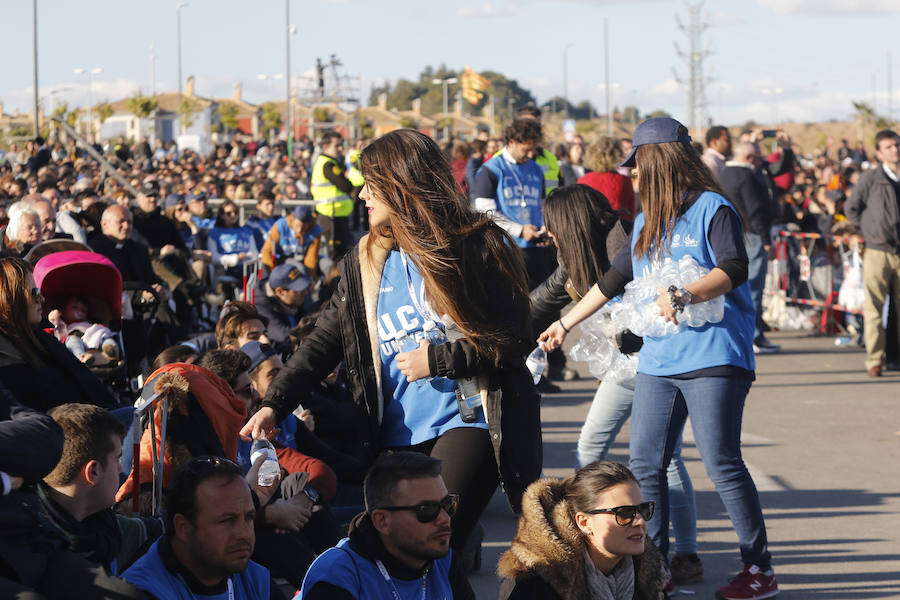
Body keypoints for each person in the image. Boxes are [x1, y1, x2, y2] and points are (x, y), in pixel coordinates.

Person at [242, 130, 542, 563]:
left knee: (428, 536)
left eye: (371, 184)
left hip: (469, 419)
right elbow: (324, 341)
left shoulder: (477, 243)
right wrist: (275, 403)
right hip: (397, 435)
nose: (361, 194)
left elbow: (514, 337)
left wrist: (438, 360)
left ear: (402, 183)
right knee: (412, 557)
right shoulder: (364, 259)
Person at [540, 117, 777, 600]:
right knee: (645, 463)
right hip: (660, 361)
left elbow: (734, 267)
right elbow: (613, 281)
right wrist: (565, 323)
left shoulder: (713, 208)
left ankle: (759, 569)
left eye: (638, 164)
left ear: (661, 161)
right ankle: (655, 568)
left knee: (721, 461)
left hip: (714, 355)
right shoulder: (647, 222)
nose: (632, 173)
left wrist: (685, 293)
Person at [530, 184, 703, 585]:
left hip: (654, 362)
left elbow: (650, 294)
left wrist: (634, 331)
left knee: (658, 457)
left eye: (551, 224)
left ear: (570, 221)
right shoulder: (576, 254)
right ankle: (605, 538)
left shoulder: (622, 243)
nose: (547, 232)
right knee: (617, 449)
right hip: (626, 367)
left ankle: (672, 552)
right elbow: (541, 300)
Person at [299, 451, 474, 600]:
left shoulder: (441, 559)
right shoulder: (337, 577)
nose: (444, 518)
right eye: (426, 509)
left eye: (448, 504)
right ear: (382, 521)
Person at [497, 461, 668, 600]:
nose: (640, 521)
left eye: (643, 509)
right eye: (624, 513)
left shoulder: (647, 576)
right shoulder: (536, 585)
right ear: (584, 522)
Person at [123, 456, 284, 600]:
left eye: (249, 517)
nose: (244, 533)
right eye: (227, 520)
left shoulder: (255, 578)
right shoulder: (142, 591)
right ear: (184, 528)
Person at [39, 403, 163, 575]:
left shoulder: (102, 522)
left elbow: (155, 529)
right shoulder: (37, 552)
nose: (121, 469)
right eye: (117, 459)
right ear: (93, 471)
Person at [0, 257, 117, 411]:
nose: (42, 299)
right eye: (34, 293)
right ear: (11, 297)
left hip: (98, 414)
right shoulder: (7, 354)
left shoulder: (39, 338)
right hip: (73, 422)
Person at [845, 129, 900, 377]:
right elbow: (851, 208)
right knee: (874, 310)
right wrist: (865, 230)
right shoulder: (870, 179)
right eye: (889, 146)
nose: (895, 150)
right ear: (879, 152)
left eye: (897, 145)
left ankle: (895, 357)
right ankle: (875, 360)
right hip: (877, 251)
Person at [719, 142, 780, 354]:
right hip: (752, 235)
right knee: (753, 287)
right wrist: (766, 240)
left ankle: (749, 334)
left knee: (739, 288)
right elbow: (755, 210)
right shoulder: (746, 176)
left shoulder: (724, 174)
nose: (761, 162)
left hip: (733, 234)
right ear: (749, 158)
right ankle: (754, 335)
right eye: (758, 157)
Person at [311, 131, 354, 259]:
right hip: (331, 215)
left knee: (341, 253)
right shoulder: (328, 165)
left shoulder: (327, 162)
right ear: (325, 146)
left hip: (335, 213)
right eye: (337, 146)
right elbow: (346, 186)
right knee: (336, 256)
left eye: (341, 145)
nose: (340, 149)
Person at [254, 263, 313, 350]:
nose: (305, 292)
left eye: (304, 288)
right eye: (298, 290)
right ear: (280, 292)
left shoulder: (295, 298)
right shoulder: (261, 307)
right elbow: (284, 336)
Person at [578, 136, 636, 220]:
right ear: (617, 154)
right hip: (619, 226)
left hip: (592, 226)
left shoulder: (583, 181)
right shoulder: (624, 181)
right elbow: (630, 212)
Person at [260, 205, 323, 276]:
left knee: (325, 264)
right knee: (300, 268)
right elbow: (267, 250)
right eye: (297, 225)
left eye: (303, 227)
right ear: (293, 220)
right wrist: (273, 272)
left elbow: (312, 256)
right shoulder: (280, 225)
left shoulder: (316, 230)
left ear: (309, 224)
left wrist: (310, 277)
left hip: (304, 258)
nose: (299, 230)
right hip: (282, 259)